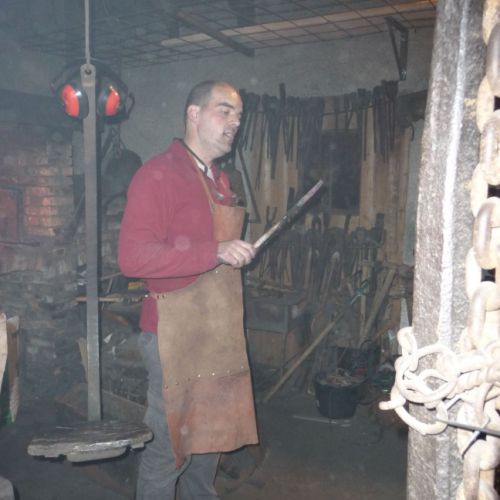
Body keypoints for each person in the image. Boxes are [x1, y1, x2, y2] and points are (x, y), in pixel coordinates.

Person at [118, 80, 259, 500]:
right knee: (170, 452)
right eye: (224, 111)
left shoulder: (219, 179)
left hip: (216, 334)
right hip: (172, 336)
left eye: (238, 115)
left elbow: (209, 253)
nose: (234, 122)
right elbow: (133, 259)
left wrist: (230, 253)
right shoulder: (158, 174)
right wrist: (215, 251)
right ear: (194, 115)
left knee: (209, 445)